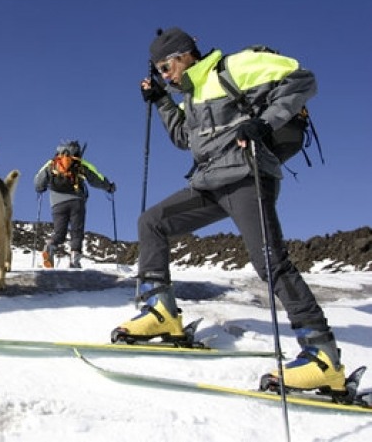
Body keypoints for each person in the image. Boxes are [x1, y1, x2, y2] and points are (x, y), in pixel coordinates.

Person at [112, 27, 345, 392]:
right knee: (152, 221)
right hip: (209, 183)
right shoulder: (189, 97)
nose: (164, 74)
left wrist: (264, 122)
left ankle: (322, 357)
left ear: (186, 54)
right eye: (158, 70)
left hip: (246, 177)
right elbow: (183, 139)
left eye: (166, 66)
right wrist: (161, 100)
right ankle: (161, 313)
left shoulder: (234, 67)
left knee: (269, 261)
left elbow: (303, 79)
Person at [33, 140, 115, 269]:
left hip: (57, 203)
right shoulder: (79, 162)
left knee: (59, 232)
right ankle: (74, 260)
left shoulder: (52, 163)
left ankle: (50, 246)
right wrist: (109, 187)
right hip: (76, 201)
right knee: (77, 232)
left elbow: (38, 181)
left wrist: (40, 188)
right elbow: (96, 178)